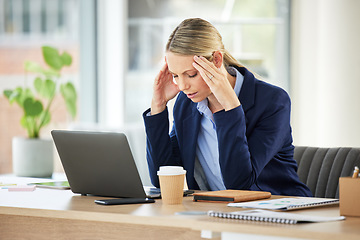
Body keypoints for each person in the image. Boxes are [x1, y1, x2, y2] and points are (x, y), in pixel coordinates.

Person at [143, 18, 312, 196]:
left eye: (191, 75)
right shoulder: (187, 104)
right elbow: (162, 178)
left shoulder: (273, 102)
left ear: (216, 60)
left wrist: (230, 107)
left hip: (278, 211)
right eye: (175, 75)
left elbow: (239, 184)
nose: (183, 86)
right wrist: (158, 106)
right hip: (218, 213)